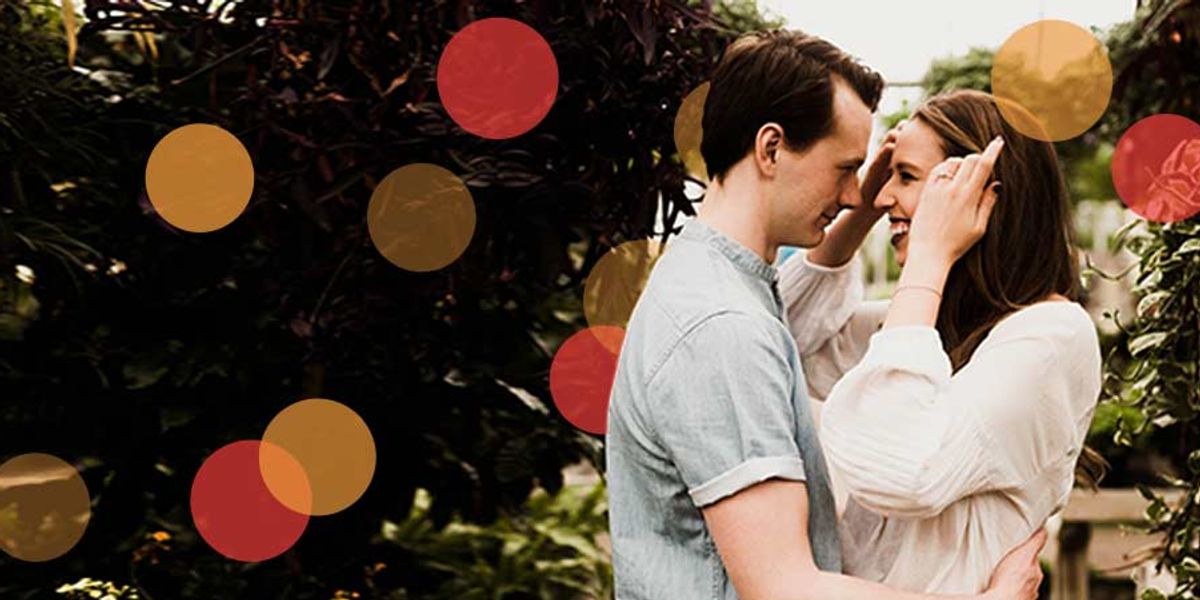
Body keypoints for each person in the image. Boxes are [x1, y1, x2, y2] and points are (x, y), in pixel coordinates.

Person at [605, 30, 1046, 600]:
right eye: (844, 169)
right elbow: (783, 586)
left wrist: (859, 212)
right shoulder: (722, 326)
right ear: (770, 149)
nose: (853, 194)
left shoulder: (715, 282)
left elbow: (802, 320)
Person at [779, 89, 1104, 594]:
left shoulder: (1051, 336)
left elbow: (902, 468)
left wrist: (930, 253)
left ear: (982, 195)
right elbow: (786, 340)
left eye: (905, 177)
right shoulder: (939, 327)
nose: (886, 196)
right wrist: (861, 208)